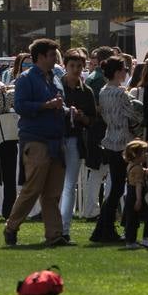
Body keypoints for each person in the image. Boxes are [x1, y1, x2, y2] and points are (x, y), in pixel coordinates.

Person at [3, 39, 69, 247]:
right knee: (33, 188)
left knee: (52, 192)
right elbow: (20, 106)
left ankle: (55, 234)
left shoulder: (55, 79)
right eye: (52, 55)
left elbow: (60, 104)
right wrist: (46, 105)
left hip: (56, 140)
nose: (55, 59)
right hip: (36, 139)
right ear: (40, 57)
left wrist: (68, 111)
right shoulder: (26, 79)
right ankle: (11, 227)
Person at [93, 57, 138, 244]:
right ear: (118, 72)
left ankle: (103, 229)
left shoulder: (103, 92)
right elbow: (134, 114)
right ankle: (106, 228)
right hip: (123, 141)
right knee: (118, 188)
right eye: (124, 69)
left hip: (110, 139)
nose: (126, 72)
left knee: (115, 187)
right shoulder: (121, 93)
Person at [58, 50, 96, 244]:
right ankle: (56, 227)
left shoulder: (86, 91)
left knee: (69, 186)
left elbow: (92, 120)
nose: (75, 70)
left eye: (79, 66)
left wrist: (82, 117)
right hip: (56, 138)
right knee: (55, 185)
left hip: (74, 139)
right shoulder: (57, 86)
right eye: (72, 66)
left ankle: (64, 228)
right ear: (65, 66)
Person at [120, 140, 148, 250]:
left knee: (132, 220)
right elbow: (138, 184)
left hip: (129, 197)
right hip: (136, 196)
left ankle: (130, 241)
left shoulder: (132, 165)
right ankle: (147, 238)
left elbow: (145, 171)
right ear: (136, 155)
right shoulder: (137, 168)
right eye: (144, 152)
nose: (146, 154)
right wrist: (138, 200)